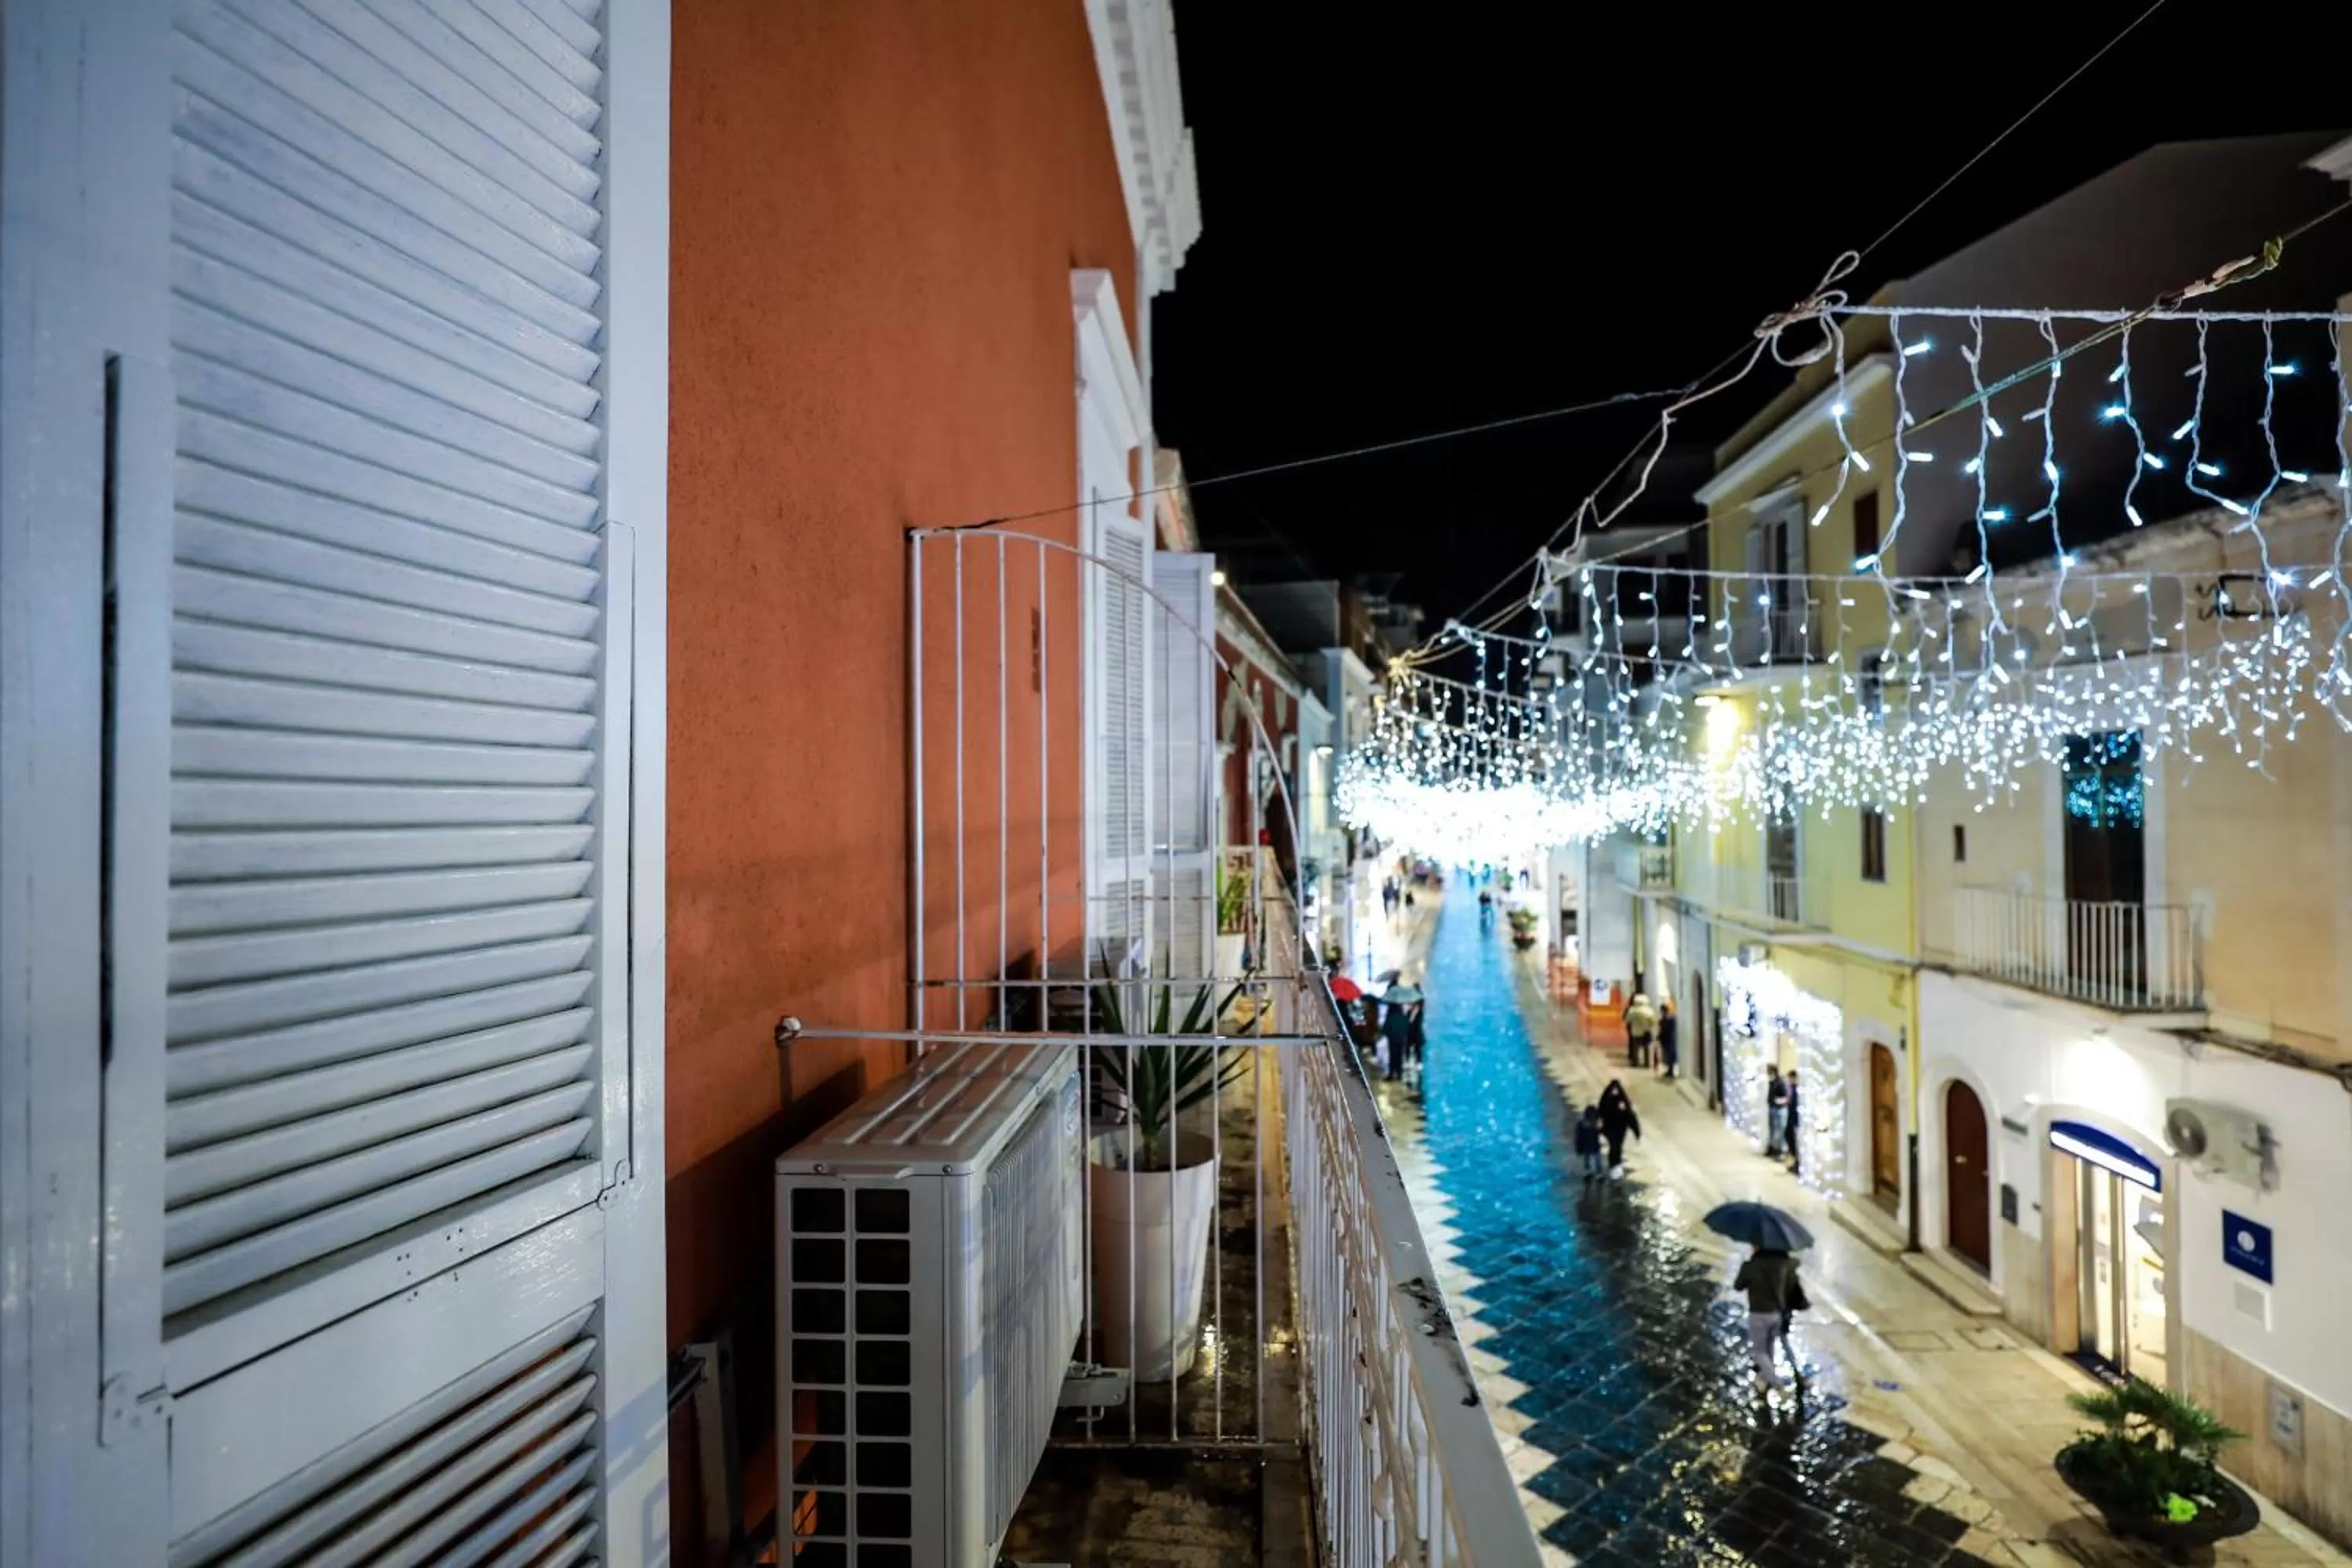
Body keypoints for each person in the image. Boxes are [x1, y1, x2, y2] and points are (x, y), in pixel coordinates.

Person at [1733, 1247, 1808, 1388]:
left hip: (1758, 1314)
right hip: (1776, 1315)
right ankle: (1765, 1377)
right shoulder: (1782, 1265)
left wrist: (1747, 1271)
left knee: (1759, 1353)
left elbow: (1738, 1286)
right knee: (1769, 1347)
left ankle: (1776, 1383)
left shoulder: (1751, 1266)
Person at [1598, 1079, 1642, 1178]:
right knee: (1615, 1146)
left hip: (1618, 1129)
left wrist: (1637, 1132)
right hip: (1611, 1129)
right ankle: (1615, 1165)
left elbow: (1630, 1117)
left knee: (1616, 1147)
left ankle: (1615, 1165)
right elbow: (1630, 1117)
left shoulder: (1613, 1101)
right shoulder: (1610, 1101)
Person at [1380, 988, 1413, 1081]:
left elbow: (1386, 1026)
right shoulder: (1404, 1016)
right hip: (1401, 1038)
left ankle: (1391, 1073)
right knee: (1399, 1055)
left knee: (1393, 1055)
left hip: (1392, 1038)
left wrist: (1384, 1033)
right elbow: (1407, 1027)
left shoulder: (1391, 1015)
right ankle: (1399, 1074)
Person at [1624, 990, 1657, 1069]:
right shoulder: (1649, 1011)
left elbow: (1628, 1019)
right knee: (1647, 1048)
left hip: (1636, 1031)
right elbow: (1653, 1021)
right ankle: (1647, 1063)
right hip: (1646, 1031)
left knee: (1636, 1048)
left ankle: (1636, 1063)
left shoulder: (1632, 1010)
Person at [1573, 1104, 1606, 1180]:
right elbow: (1601, 1131)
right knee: (1597, 1159)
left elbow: (1578, 1137)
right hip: (1595, 1146)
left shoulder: (1580, 1125)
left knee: (1586, 1159)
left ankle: (1587, 1172)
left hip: (1586, 1146)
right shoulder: (1595, 1125)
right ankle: (1598, 1173)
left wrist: (1579, 1148)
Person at [1766, 1066, 1790, 1156]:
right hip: (1773, 1108)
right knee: (1773, 1130)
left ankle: (1780, 1150)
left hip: (1779, 1109)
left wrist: (1777, 1101)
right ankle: (1773, 1148)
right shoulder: (1772, 1082)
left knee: (1780, 1130)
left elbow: (1785, 1097)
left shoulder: (1780, 1083)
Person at [1784, 1071, 1802, 1174]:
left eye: (1790, 1078)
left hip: (1796, 1119)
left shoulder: (1797, 1090)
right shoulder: (1791, 1089)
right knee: (1788, 1136)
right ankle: (1795, 1160)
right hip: (1791, 1118)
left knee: (1795, 1141)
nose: (1789, 1081)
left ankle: (1797, 1162)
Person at [1657, 1000, 1680, 1080]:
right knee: (1669, 1056)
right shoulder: (1671, 1018)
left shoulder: (1665, 1019)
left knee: (1669, 1055)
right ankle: (1670, 1070)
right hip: (1669, 1039)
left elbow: (1663, 1030)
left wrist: (1659, 1037)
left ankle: (1670, 1071)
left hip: (1667, 1039)